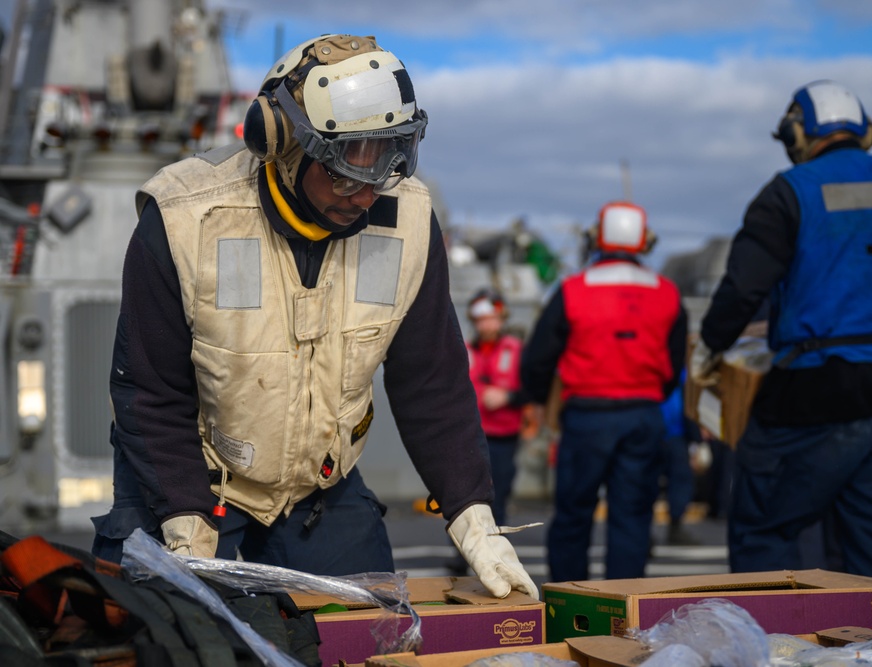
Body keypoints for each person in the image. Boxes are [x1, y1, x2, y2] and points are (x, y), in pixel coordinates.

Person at [90, 34, 537, 600]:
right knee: (163, 633)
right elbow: (150, 393)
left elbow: (432, 383)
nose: (366, 195)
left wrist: (474, 517)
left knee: (374, 634)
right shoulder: (185, 222)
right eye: (349, 170)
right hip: (183, 479)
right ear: (282, 143)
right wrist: (185, 521)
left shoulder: (408, 224)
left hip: (317, 490)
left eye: (387, 163)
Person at [690, 80, 872, 583]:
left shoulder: (787, 192)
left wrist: (710, 346)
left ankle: (762, 655)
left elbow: (742, 289)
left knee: (763, 535)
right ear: (866, 131)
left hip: (809, 395)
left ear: (799, 133)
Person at [521, 200, 688, 582]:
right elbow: (675, 363)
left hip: (586, 416)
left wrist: (537, 397)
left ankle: (569, 601)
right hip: (643, 414)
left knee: (572, 516)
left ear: (597, 237)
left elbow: (539, 357)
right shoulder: (667, 293)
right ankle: (624, 611)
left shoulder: (573, 290)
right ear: (645, 241)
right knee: (632, 518)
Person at [465, 288, 530, 526]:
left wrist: (509, 397)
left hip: (504, 438)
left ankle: (496, 552)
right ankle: (463, 554)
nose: (487, 325)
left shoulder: (517, 350)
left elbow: (533, 390)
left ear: (502, 319)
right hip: (470, 435)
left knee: (498, 496)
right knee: (466, 497)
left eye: (491, 318)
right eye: (481, 319)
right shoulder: (464, 350)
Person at [659, 371, 699, 546]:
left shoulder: (682, 373)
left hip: (672, 433)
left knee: (680, 481)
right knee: (677, 481)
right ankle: (647, 534)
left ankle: (675, 526)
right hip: (661, 432)